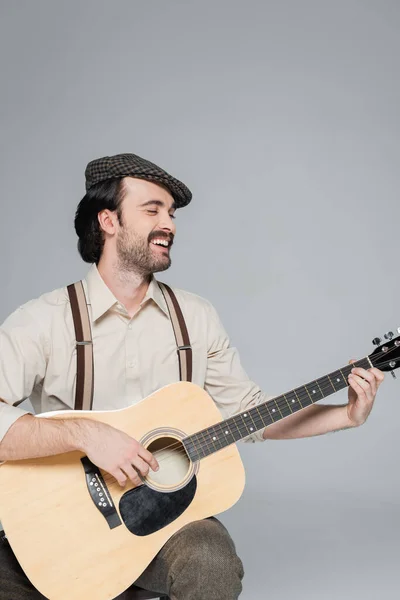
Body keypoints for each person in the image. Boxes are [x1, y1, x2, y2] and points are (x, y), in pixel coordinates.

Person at [0, 153, 384, 600]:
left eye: (172, 213)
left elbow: (249, 414)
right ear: (108, 220)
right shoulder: (45, 320)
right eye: (153, 209)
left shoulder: (195, 319)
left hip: (167, 531)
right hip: (63, 528)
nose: (170, 224)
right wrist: (86, 435)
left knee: (211, 559)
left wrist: (346, 416)